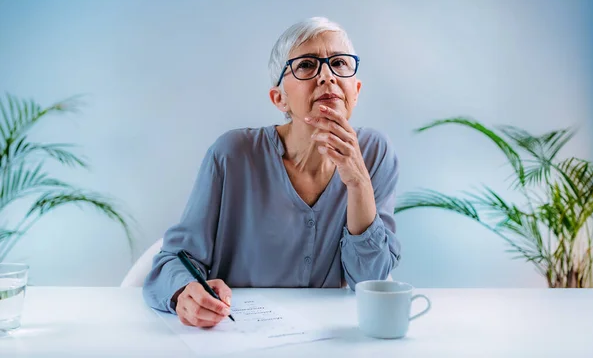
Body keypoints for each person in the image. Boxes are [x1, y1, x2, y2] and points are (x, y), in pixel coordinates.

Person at [142, 17, 401, 329]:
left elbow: (370, 281)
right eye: (306, 65)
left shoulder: (375, 152)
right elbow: (173, 261)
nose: (326, 76)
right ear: (279, 98)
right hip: (236, 334)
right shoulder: (233, 153)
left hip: (329, 338)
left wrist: (358, 181)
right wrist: (185, 293)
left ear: (355, 90)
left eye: (339, 63)